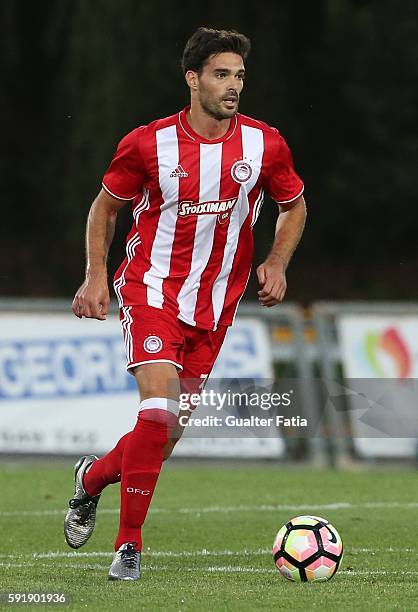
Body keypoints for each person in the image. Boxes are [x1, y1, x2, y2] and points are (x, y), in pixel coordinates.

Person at [64, 26, 307, 581]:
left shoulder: (264, 144)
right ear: (192, 78)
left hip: (216, 308)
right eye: (221, 74)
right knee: (158, 413)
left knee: (165, 436)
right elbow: (105, 209)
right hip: (152, 292)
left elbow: (294, 205)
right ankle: (128, 547)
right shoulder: (148, 143)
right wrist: (94, 277)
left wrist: (277, 262)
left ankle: (92, 479)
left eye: (239, 76)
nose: (233, 86)